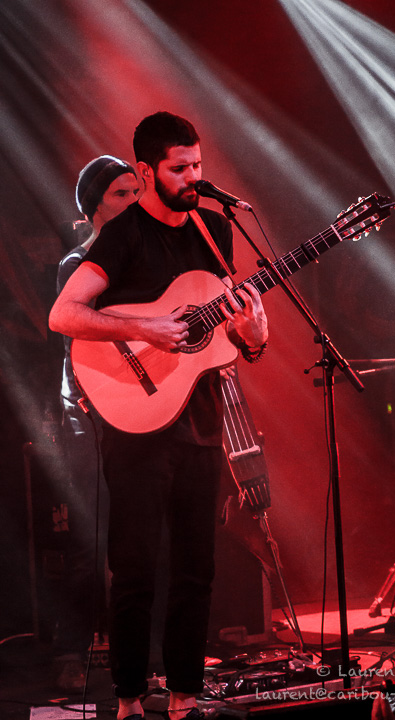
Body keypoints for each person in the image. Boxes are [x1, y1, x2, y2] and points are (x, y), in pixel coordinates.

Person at [49, 111, 268, 720]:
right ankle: (127, 701)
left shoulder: (214, 229)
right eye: (179, 168)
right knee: (136, 569)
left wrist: (253, 336)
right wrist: (146, 328)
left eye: (198, 164)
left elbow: (226, 333)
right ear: (147, 172)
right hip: (135, 426)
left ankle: (183, 699)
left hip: (200, 419)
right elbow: (64, 314)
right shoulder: (123, 236)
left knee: (197, 569)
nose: (193, 177)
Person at [54, 156, 141, 690]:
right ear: (94, 206)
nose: (133, 202)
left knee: (140, 535)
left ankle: (146, 655)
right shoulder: (76, 264)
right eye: (120, 194)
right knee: (90, 535)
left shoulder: (147, 256)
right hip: (89, 413)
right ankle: (74, 648)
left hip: (138, 409)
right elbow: (79, 344)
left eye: (137, 192)